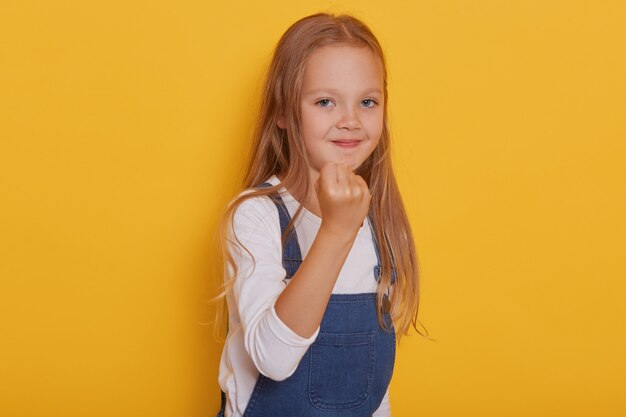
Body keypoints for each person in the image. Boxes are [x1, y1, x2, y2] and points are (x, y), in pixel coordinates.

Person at [212, 12, 430, 417]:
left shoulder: (380, 222)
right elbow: (273, 360)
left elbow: (372, 387)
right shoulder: (255, 216)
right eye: (325, 101)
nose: (350, 120)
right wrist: (336, 231)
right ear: (282, 112)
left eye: (367, 102)